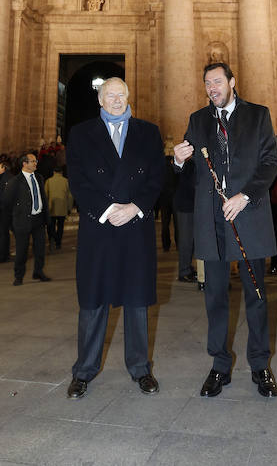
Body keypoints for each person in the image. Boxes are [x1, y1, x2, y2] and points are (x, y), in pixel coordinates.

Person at [174, 62, 277, 399]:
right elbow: (189, 174)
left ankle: (260, 364)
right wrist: (177, 161)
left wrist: (245, 195)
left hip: (248, 215)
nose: (212, 88)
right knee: (215, 297)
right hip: (212, 221)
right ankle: (219, 365)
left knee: (256, 297)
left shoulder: (258, 115)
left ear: (232, 82)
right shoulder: (197, 120)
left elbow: (270, 162)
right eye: (207, 83)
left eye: (218, 81)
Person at [66, 77, 165, 399]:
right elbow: (78, 180)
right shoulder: (81, 134)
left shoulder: (148, 132)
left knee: (137, 302)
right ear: (100, 100)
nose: (116, 100)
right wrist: (108, 209)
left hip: (135, 225)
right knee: (93, 302)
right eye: (109, 95)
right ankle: (84, 370)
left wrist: (135, 207)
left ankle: (140, 369)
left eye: (120, 95)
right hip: (100, 226)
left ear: (128, 96)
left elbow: (156, 177)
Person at [2, 152, 51, 286]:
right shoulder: (15, 181)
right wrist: (12, 223)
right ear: (24, 164)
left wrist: (46, 217)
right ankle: (19, 276)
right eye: (33, 161)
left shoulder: (39, 177)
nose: (36, 163)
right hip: (22, 221)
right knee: (22, 251)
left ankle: (38, 271)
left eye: (36, 161)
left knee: (40, 249)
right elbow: (6, 203)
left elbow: (43, 198)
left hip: (39, 220)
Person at [45, 165, 73, 250]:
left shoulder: (49, 181)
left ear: (53, 172)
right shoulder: (66, 181)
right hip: (62, 207)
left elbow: (45, 195)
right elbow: (70, 196)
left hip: (51, 207)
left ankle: (52, 239)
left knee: (51, 225)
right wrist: (69, 208)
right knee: (60, 226)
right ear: (61, 172)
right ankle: (58, 242)